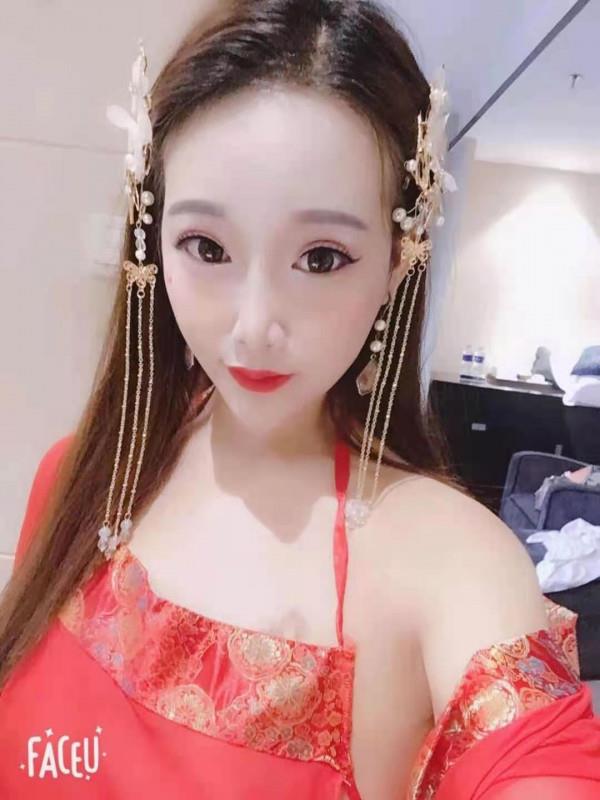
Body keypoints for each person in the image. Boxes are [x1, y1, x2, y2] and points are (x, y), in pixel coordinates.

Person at [1, 1, 599, 798]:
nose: (255, 327)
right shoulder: (82, 479)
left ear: (397, 262)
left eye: (321, 257)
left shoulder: (451, 566)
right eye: (206, 246)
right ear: (154, 240)